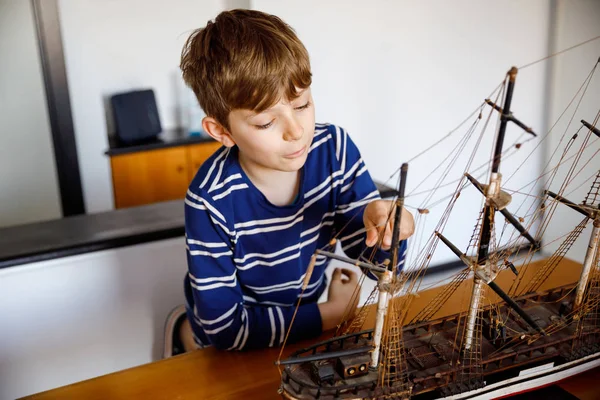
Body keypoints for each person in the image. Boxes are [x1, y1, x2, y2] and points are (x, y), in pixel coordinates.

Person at [178, 9, 414, 351]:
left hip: (303, 318)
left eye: (301, 105)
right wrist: (333, 314)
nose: (296, 131)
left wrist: (390, 232)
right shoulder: (209, 200)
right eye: (264, 123)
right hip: (233, 341)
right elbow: (226, 329)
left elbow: (379, 268)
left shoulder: (334, 150)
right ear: (222, 131)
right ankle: (182, 331)